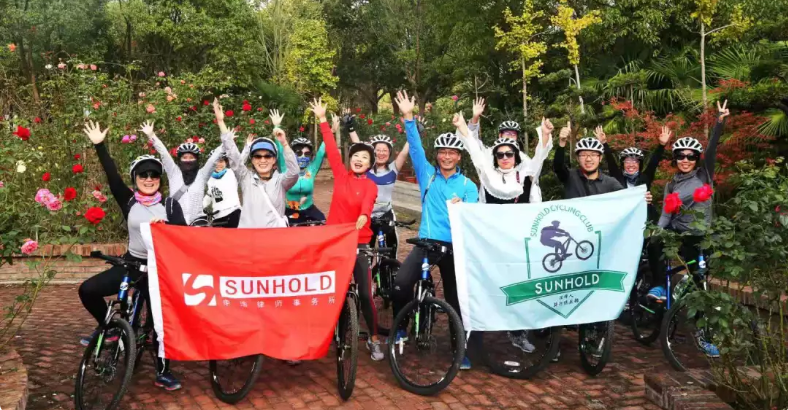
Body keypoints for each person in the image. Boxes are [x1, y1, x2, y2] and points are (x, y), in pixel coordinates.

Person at [78, 121, 186, 391]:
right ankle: (113, 330)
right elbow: (112, 176)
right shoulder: (129, 201)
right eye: (142, 175)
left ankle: (163, 371)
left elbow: (186, 240)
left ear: (159, 179)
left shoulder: (170, 206)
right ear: (135, 179)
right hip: (131, 265)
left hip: (159, 271)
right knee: (88, 290)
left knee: (162, 321)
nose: (148, 179)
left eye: (153, 175)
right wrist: (99, 145)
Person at [391, 90, 479, 370]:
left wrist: (462, 206)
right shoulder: (428, 174)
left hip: (454, 247)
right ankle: (402, 326)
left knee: (456, 300)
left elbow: (475, 217)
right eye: (442, 152)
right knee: (401, 283)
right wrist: (408, 117)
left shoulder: (468, 187)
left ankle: (460, 351)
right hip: (427, 243)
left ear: (459, 157)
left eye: (452, 152)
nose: (446, 156)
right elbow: (415, 146)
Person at [309, 98, 384, 361]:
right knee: (325, 291)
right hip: (333, 242)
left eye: (365, 157)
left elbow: (367, 203)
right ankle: (318, 335)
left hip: (359, 243)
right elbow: (330, 148)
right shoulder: (341, 176)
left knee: (364, 292)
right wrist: (322, 120)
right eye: (355, 156)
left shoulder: (371, 185)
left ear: (370, 163)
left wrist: (364, 216)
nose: (359, 160)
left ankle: (374, 338)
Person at [651, 101, 729, 302]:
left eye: (690, 156)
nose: (685, 160)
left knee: (699, 283)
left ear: (696, 159)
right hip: (680, 233)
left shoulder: (703, 176)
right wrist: (657, 232)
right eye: (680, 156)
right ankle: (659, 286)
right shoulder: (671, 184)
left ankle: (700, 330)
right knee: (654, 244)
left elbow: (711, 152)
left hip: (701, 234)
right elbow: (666, 215)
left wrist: (719, 123)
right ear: (675, 159)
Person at [594, 125, 672, 297]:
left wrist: (661, 145)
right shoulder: (617, 179)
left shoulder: (644, 179)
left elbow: (654, 163)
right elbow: (611, 162)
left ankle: (659, 285)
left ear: (639, 164)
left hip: (645, 225)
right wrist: (604, 144)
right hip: (625, 227)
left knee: (654, 244)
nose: (631, 165)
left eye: (635, 161)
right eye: (627, 161)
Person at [216, 99, 299, 228]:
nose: (263, 160)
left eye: (267, 156)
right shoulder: (246, 179)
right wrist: (221, 122)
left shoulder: (281, 182)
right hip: (249, 241)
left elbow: (294, 171)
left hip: (274, 241)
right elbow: (234, 157)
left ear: (274, 160)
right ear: (253, 160)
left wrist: (284, 143)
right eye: (257, 156)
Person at [454, 106, 553, 204]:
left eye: (509, 154)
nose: (505, 158)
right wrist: (463, 125)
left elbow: (539, 157)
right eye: (500, 155)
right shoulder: (488, 168)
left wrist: (545, 135)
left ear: (516, 156)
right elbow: (474, 147)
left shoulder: (525, 168)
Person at [346, 115, 411, 254]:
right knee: (365, 253)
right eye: (378, 150)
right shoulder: (366, 168)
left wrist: (414, 132)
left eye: (385, 150)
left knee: (391, 251)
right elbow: (359, 146)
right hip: (367, 216)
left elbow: (405, 151)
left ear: (389, 153)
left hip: (386, 214)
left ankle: (390, 273)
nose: (381, 153)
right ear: (372, 152)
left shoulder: (393, 168)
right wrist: (351, 128)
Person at [141, 120, 224, 225]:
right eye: (184, 157)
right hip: (176, 220)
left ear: (196, 160)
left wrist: (226, 141)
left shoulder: (202, 175)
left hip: (197, 221)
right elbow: (164, 154)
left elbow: (214, 159)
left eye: (191, 157)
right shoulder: (173, 173)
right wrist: (151, 135)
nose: (188, 160)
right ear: (179, 160)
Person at [203, 148, 242, 228]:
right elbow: (209, 195)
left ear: (226, 162)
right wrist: (201, 207)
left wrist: (247, 147)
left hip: (233, 212)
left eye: (221, 161)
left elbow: (240, 161)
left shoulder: (231, 173)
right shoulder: (210, 178)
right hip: (217, 216)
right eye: (216, 162)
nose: (218, 164)